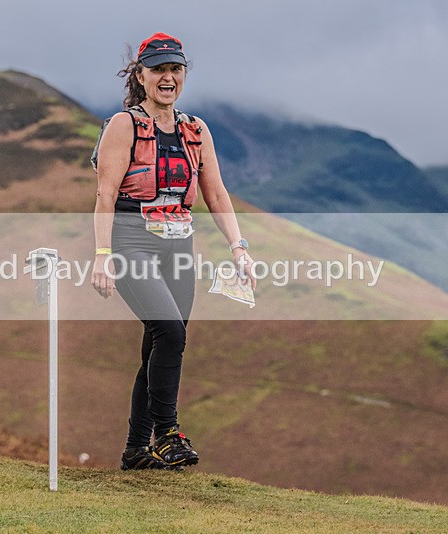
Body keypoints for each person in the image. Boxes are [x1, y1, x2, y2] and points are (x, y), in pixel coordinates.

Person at [91, 32, 256, 469]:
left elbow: (216, 194)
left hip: (179, 245)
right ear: (141, 76)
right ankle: (167, 433)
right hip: (131, 241)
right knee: (171, 332)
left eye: (175, 69)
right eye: (159, 69)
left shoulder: (196, 130)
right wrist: (102, 254)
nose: (168, 77)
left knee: (159, 345)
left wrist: (238, 248)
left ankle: (134, 450)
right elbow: (105, 195)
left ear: (184, 75)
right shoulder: (123, 125)